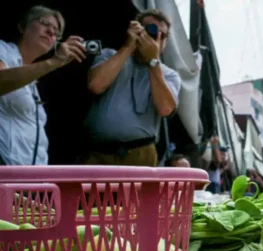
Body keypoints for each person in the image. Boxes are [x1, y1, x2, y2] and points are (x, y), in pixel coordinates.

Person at [84, 9, 181, 166]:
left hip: (141, 153)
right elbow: (96, 85)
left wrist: (153, 61)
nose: (156, 37)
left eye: (162, 35)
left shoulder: (169, 75)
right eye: (149, 30)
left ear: (165, 42)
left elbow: (166, 109)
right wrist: (129, 46)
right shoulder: (109, 55)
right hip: (99, 152)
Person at [0, 6, 86, 165]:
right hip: (6, 173)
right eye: (44, 23)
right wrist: (54, 62)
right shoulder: (3, 50)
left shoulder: (33, 81)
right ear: (22, 26)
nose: (51, 32)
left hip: (31, 179)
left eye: (56, 31)